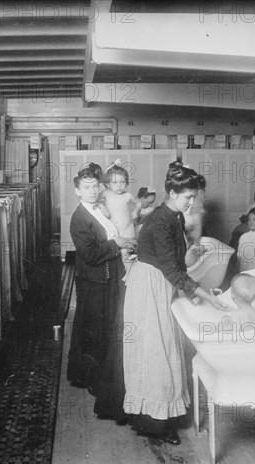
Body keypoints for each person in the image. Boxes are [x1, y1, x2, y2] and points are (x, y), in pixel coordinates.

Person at [123, 164, 231, 445]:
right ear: (171, 193)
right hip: (148, 287)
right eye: (187, 197)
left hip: (161, 283)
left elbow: (178, 262)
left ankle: (161, 415)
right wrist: (205, 295)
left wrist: (189, 290)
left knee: (166, 348)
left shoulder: (175, 217)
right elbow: (172, 269)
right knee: (155, 352)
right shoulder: (160, 220)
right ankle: (153, 422)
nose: (192, 202)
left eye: (194, 197)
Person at [66, 165, 136, 422]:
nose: (93, 190)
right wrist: (116, 244)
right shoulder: (80, 218)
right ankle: (93, 378)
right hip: (95, 281)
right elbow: (91, 254)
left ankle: (99, 375)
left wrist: (124, 245)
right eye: (87, 187)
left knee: (103, 326)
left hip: (106, 277)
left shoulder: (99, 210)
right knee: (95, 328)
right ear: (77, 191)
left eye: (96, 185)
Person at [99, 160, 141, 260]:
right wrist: (103, 207)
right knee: (115, 256)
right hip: (113, 233)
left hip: (127, 232)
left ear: (126, 183)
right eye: (115, 182)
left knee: (126, 255)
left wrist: (136, 211)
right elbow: (96, 201)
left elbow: (139, 202)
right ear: (108, 184)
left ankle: (129, 270)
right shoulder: (106, 194)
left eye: (122, 182)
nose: (119, 185)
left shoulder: (127, 195)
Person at [229, 185, 255, 250]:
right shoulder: (253, 205)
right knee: (234, 234)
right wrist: (245, 217)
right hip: (248, 224)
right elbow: (245, 217)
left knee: (238, 237)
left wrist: (246, 217)